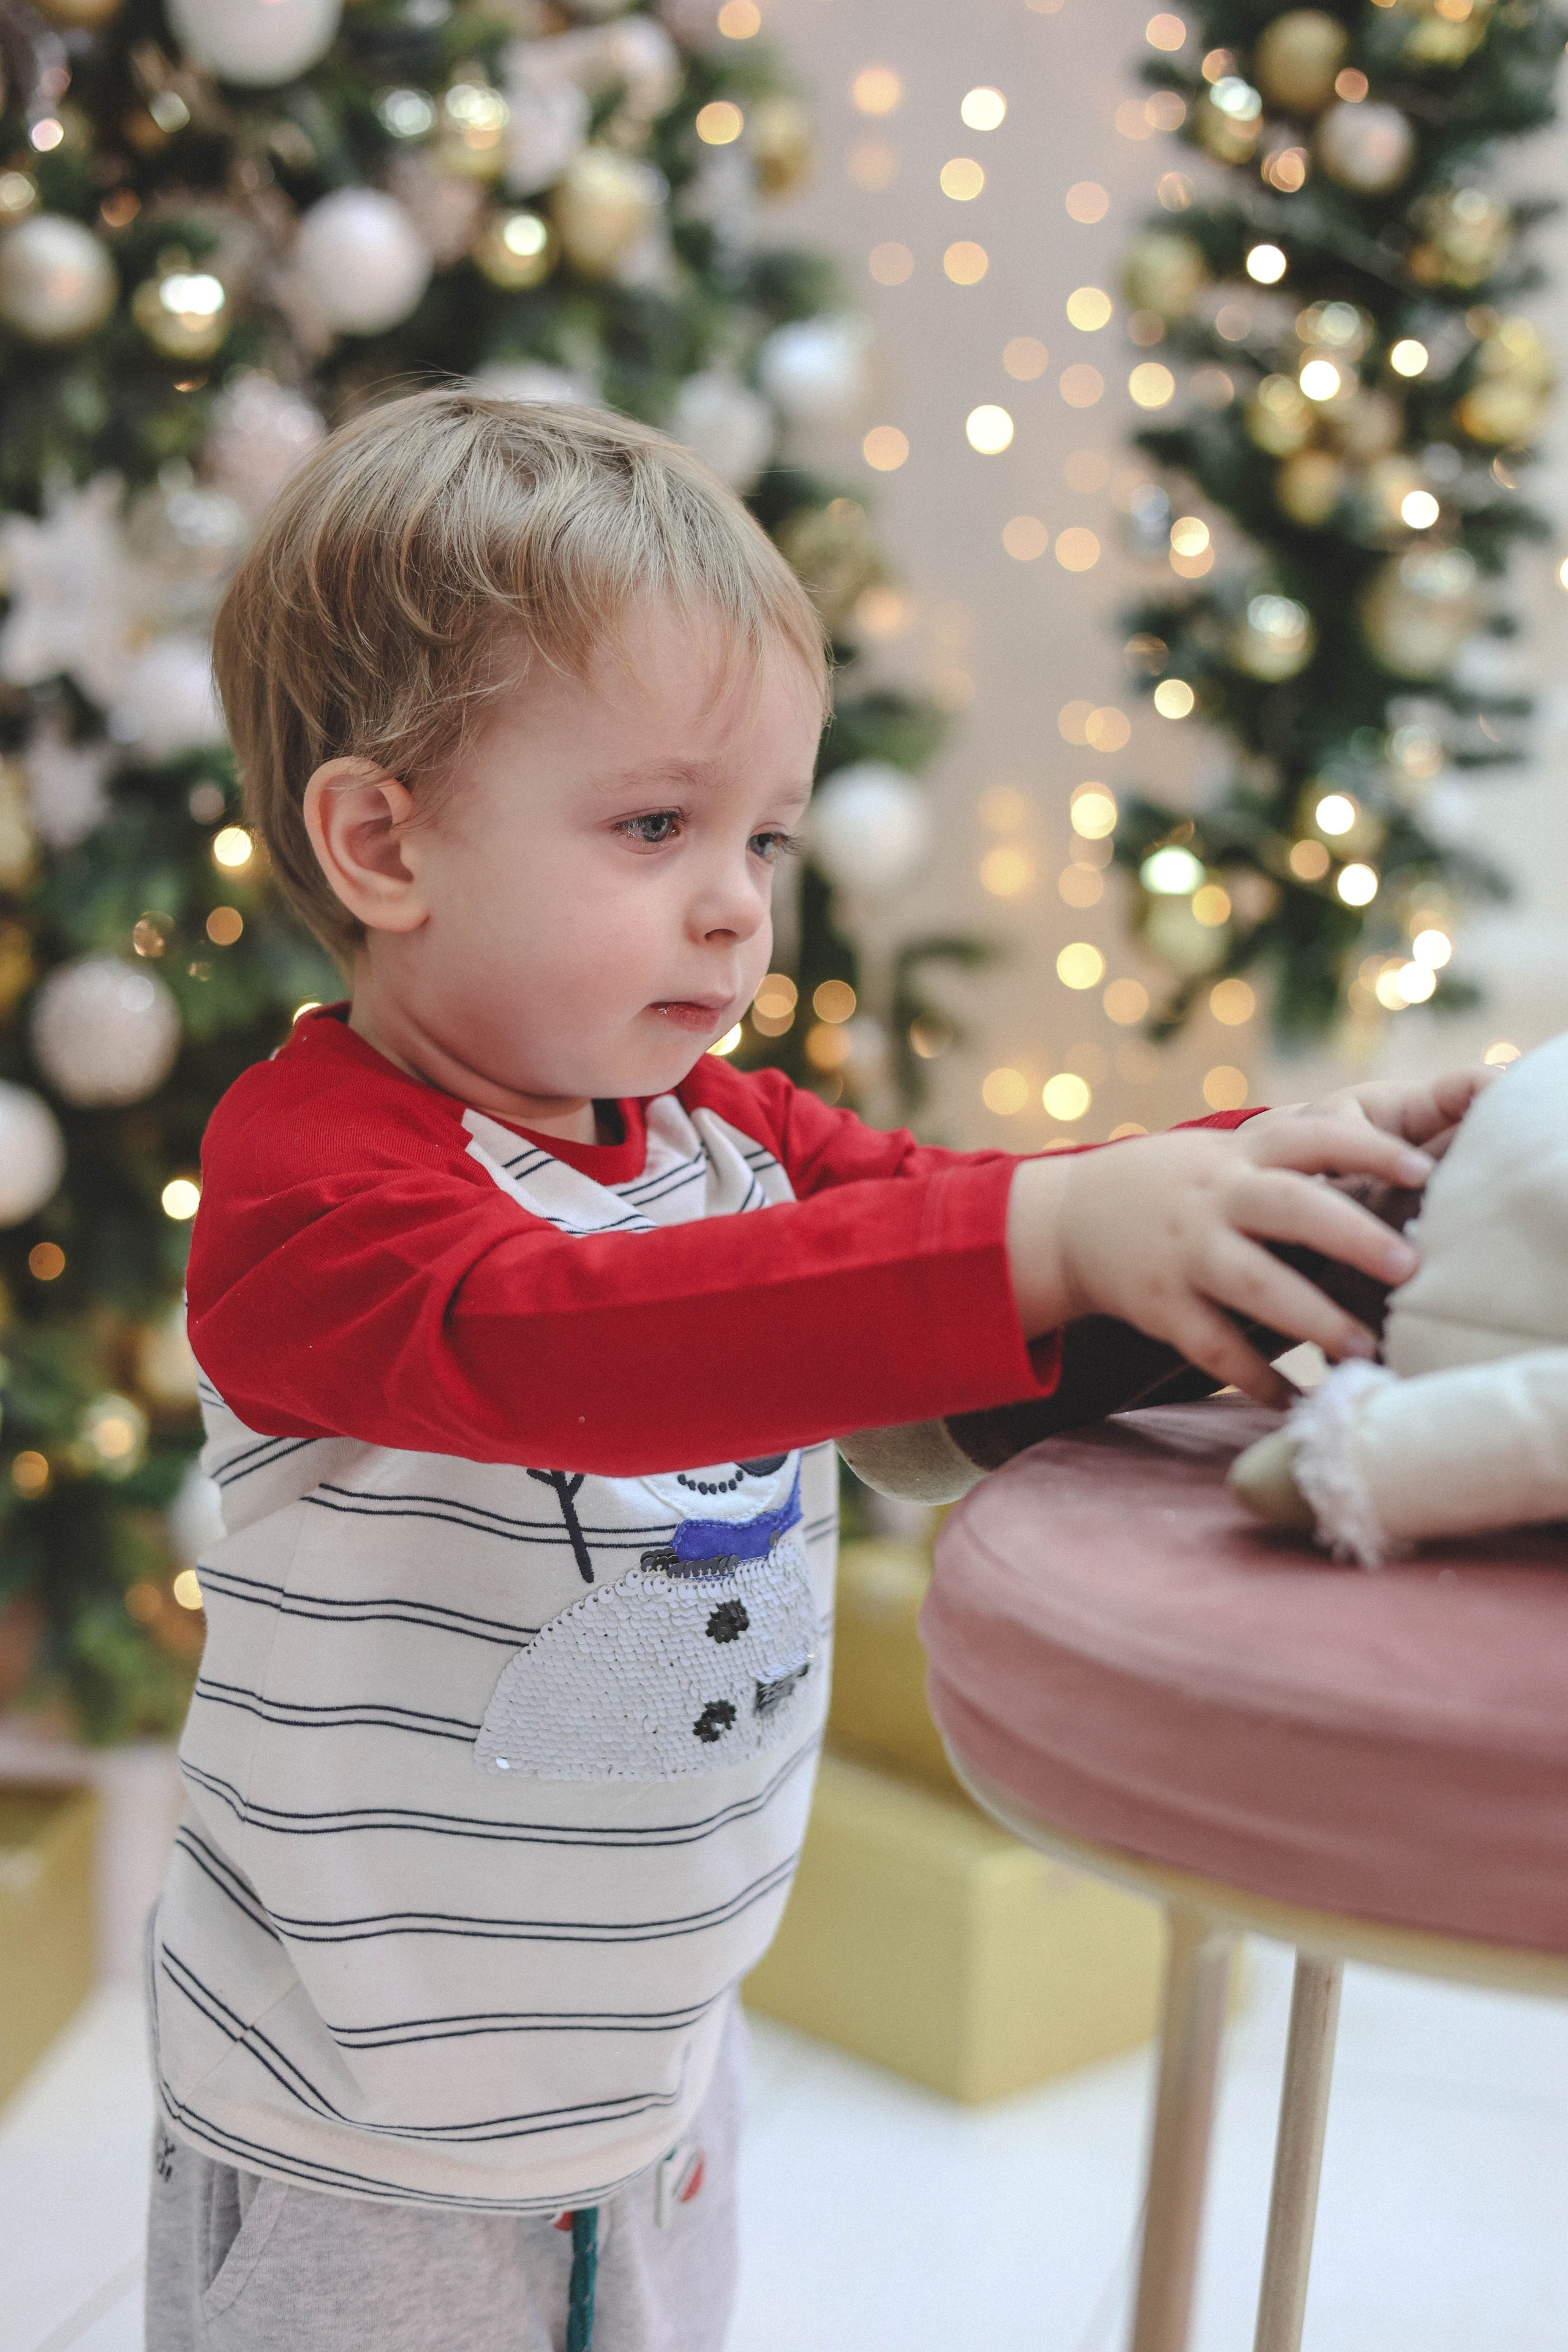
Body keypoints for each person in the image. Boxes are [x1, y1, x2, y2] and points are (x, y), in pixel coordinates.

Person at [142, 390, 1481, 2352]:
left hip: (657, 2079)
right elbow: (566, 1340)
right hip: (354, 2144)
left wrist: (1304, 1183)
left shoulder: (729, 1140)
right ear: (382, 841)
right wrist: (1042, 1235)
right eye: (655, 825)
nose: (737, 903)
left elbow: (958, 1256)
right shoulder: (313, 1193)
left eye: (762, 835)